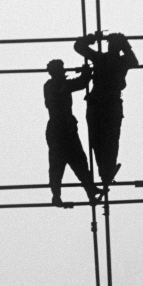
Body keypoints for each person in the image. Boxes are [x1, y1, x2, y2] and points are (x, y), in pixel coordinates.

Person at [73, 31, 138, 186]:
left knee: (99, 139)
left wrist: (95, 38)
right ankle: (106, 171)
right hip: (110, 105)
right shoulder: (122, 60)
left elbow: (79, 46)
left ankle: (105, 171)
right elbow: (134, 61)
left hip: (99, 105)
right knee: (110, 140)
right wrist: (123, 43)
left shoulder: (101, 58)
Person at [43, 59, 99, 207]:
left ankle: (90, 191)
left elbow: (80, 82)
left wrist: (85, 72)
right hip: (60, 128)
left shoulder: (57, 84)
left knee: (79, 161)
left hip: (63, 127)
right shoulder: (53, 85)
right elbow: (81, 83)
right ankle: (57, 195)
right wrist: (86, 72)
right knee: (59, 164)